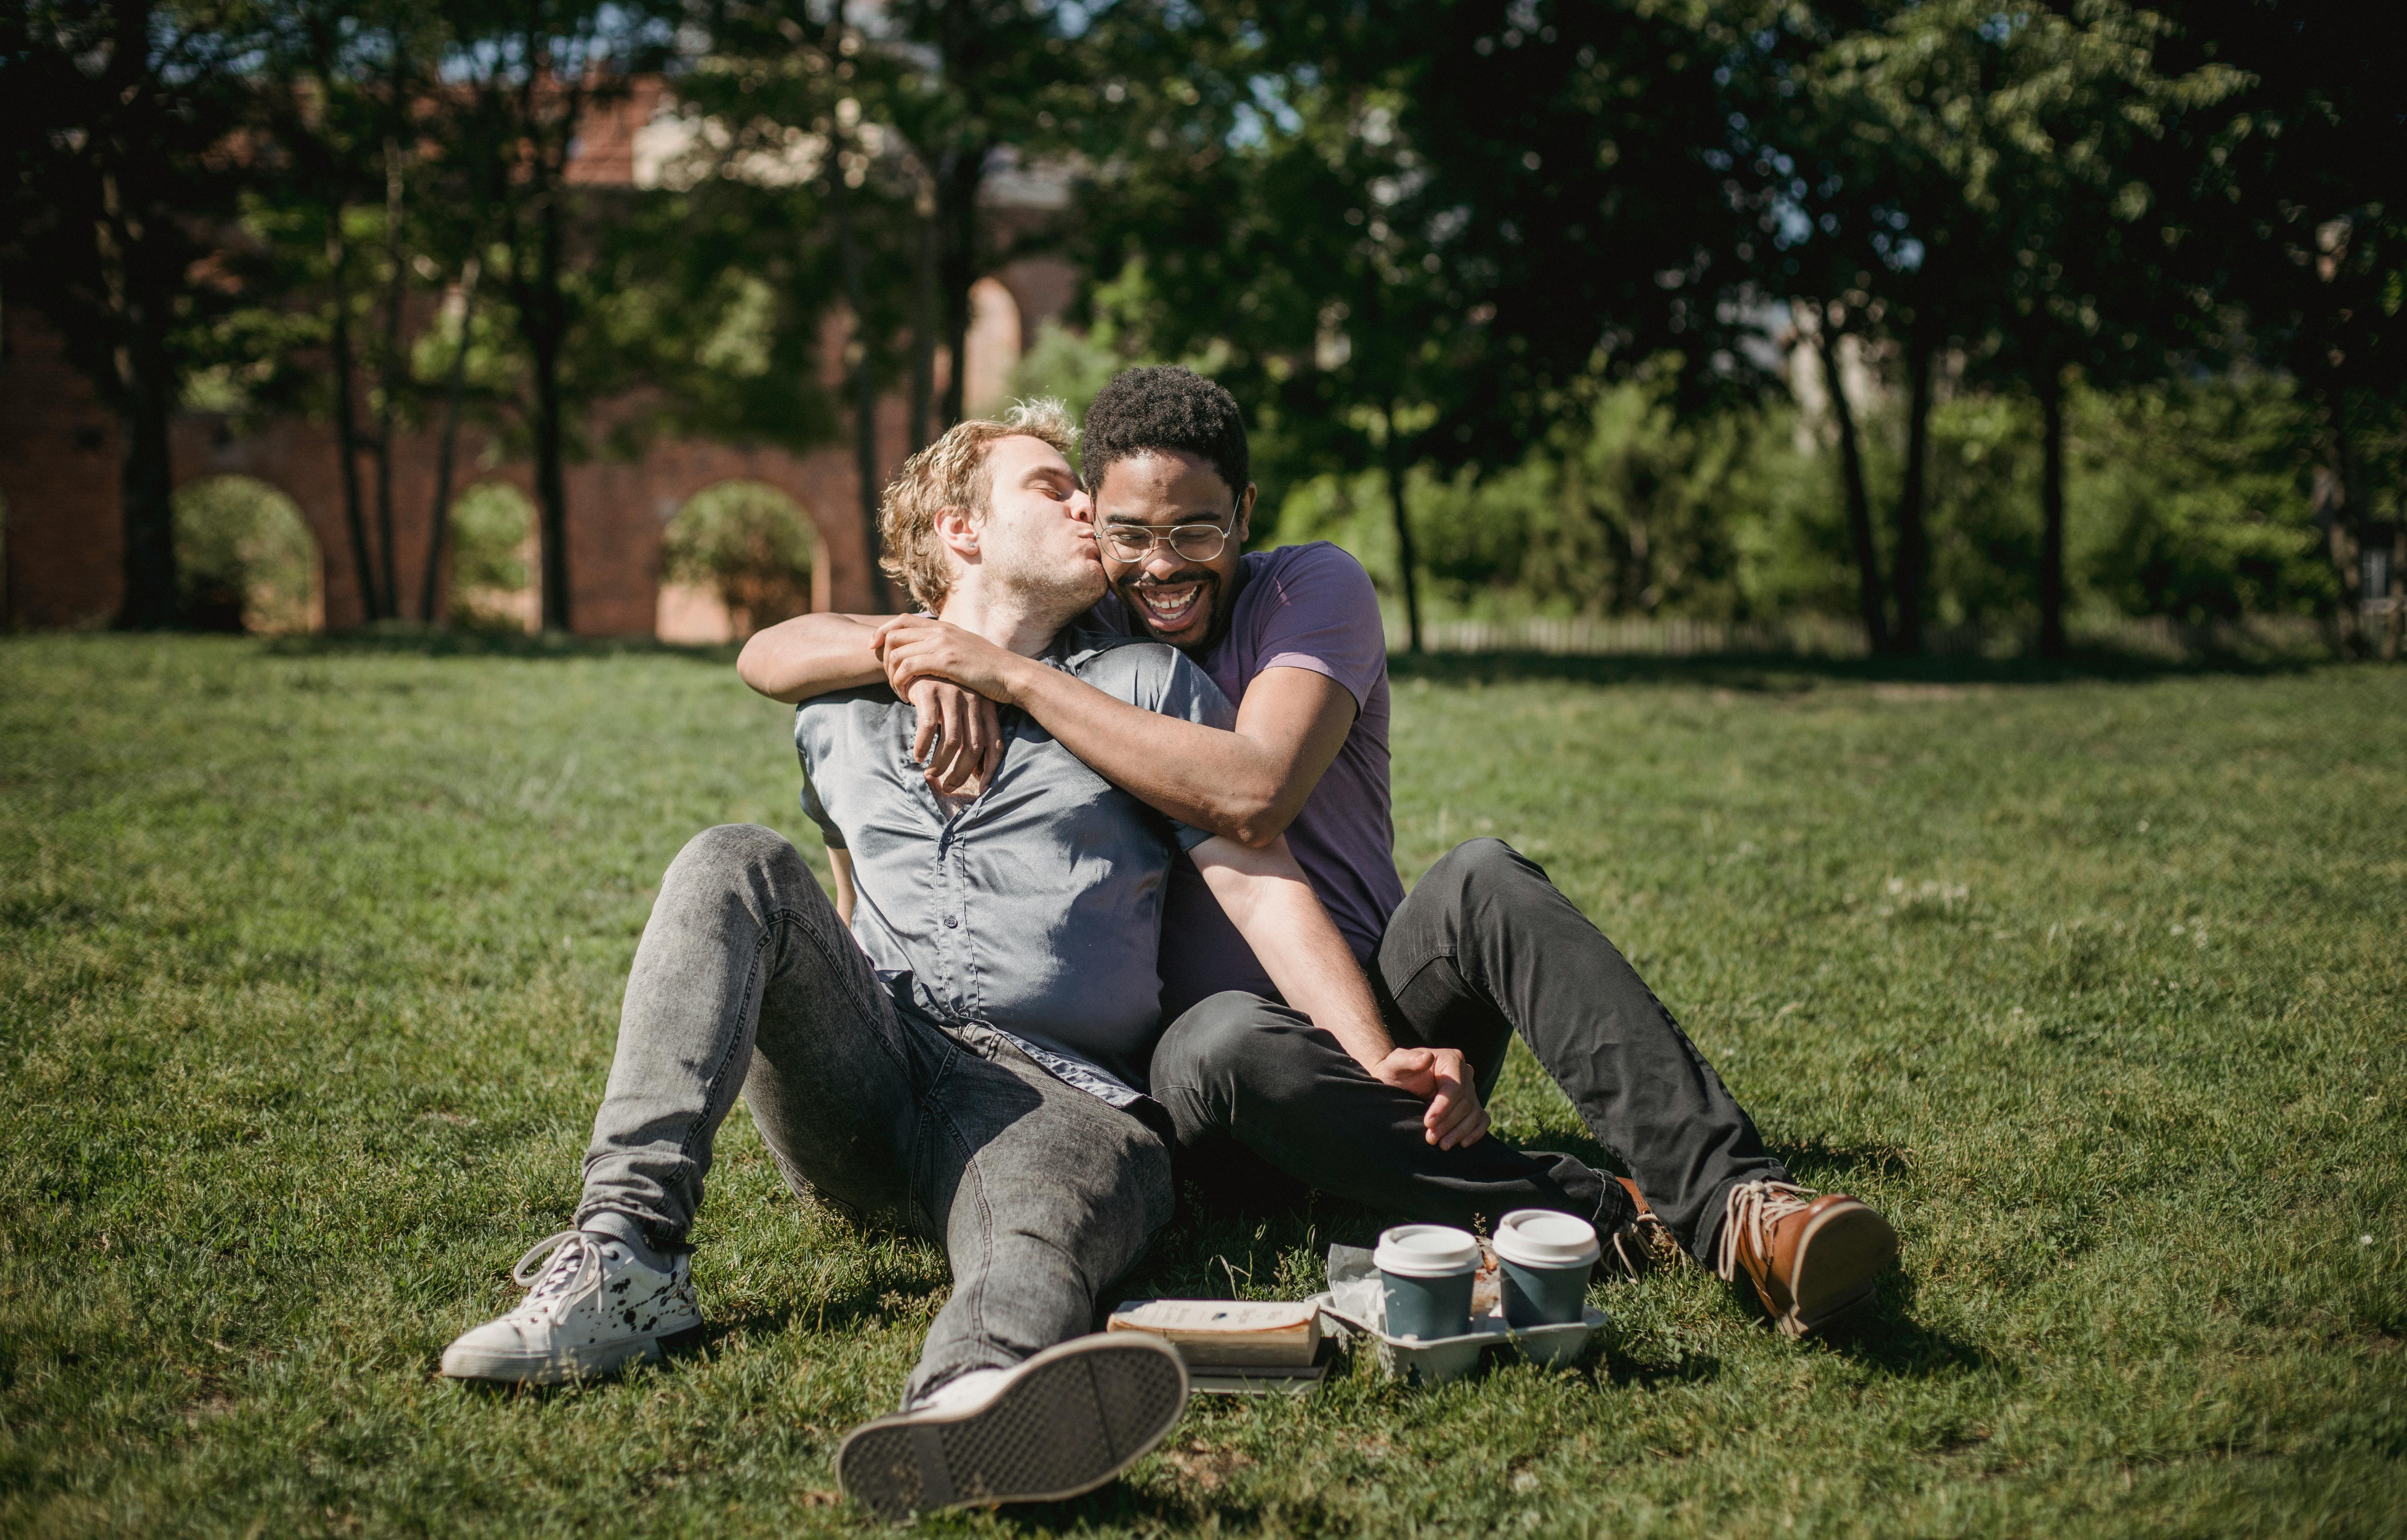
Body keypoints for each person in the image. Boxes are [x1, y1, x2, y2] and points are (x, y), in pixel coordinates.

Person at [442, 404, 1634, 1520]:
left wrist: (1376, 1052)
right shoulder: (842, 706)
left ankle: (969, 1405)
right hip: (875, 1073)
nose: (1092, 515)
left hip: (1062, 1100)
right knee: (731, 860)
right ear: (961, 529)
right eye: (1057, 488)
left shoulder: (1142, 687)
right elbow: (790, 720)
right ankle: (629, 1257)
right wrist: (919, 655)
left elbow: (1256, 880)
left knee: (1034, 1240)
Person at [739, 367, 1901, 1341]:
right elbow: (781, 650)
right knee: (1224, 1037)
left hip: (1377, 1012)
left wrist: (1004, 674)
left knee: (1484, 875)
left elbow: (1253, 792)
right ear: (1094, 519)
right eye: (1131, 534)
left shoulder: (1310, 587)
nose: (1162, 567)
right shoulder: (1089, 624)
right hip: (1216, 1080)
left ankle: (1743, 1202)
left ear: (1244, 513)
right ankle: (1601, 1209)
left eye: (1197, 531)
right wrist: (936, 649)